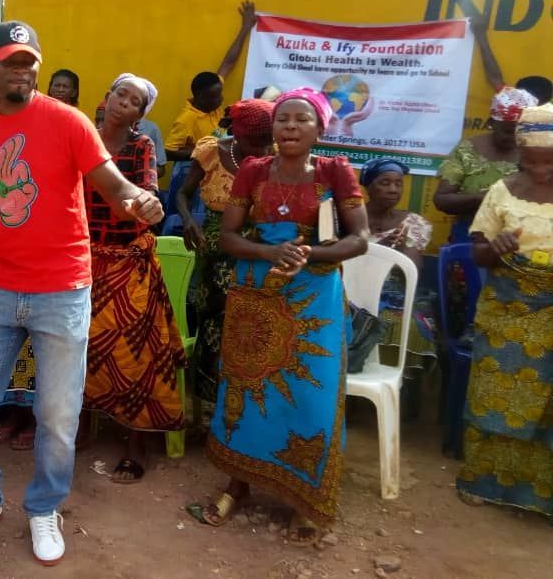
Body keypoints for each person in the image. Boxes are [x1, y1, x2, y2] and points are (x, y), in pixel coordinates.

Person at [0, 21, 163, 566]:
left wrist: (140, 201)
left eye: (30, 60)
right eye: (11, 60)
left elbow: (113, 185)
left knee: (57, 413)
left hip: (63, 289)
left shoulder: (69, 122)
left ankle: (44, 508)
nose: (23, 69)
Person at [196, 87, 368, 545]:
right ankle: (238, 483)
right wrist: (270, 249)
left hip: (314, 297)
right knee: (245, 387)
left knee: (310, 396)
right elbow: (229, 238)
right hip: (255, 295)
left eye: (301, 120)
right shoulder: (252, 171)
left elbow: (360, 239)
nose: (290, 127)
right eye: (283, 119)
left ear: (320, 128)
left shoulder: (335, 172)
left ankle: (302, 498)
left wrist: (310, 252)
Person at [81, 73, 185, 482]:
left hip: (128, 262)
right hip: (82, 259)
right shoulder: (82, 139)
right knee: (77, 348)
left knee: (134, 353)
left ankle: (135, 442)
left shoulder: (142, 146)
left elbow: (145, 194)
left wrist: (144, 205)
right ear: (106, 98)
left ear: (141, 114)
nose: (124, 102)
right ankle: (77, 428)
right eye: (119, 94)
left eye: (134, 100)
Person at [456, 102, 553, 519]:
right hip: (505, 309)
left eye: (548, 161)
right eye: (530, 160)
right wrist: (493, 249)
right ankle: (482, 479)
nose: (540, 169)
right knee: (492, 394)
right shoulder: (502, 190)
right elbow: (478, 250)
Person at [176, 99, 275, 404]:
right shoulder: (211, 151)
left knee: (254, 326)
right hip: (215, 249)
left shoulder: (279, 158)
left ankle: (247, 401)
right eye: (252, 142)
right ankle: (208, 402)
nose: (259, 150)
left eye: (265, 142)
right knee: (213, 322)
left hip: (260, 247)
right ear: (236, 131)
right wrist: (189, 221)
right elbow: (182, 192)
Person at [434, 87, 538, 238]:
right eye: (508, 131)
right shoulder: (467, 150)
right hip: (471, 233)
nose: (515, 137)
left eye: (522, 131)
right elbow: (441, 200)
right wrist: (483, 198)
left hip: (525, 236)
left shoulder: (539, 153)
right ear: (491, 123)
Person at [360, 158, 436, 364]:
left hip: (394, 292)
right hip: (351, 288)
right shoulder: (349, 217)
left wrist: (401, 247)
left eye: (398, 183)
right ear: (368, 186)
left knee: (411, 326)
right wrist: (379, 250)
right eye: (384, 183)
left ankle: (399, 378)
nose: (393, 189)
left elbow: (413, 273)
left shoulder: (412, 223)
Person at [164, 0, 256, 160]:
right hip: (193, 170)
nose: (220, 99)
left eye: (220, 94)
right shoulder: (187, 120)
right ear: (200, 97)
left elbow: (229, 62)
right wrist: (203, 153)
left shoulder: (213, 94)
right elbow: (168, 152)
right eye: (215, 97)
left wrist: (245, 27)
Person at [472, 14, 553, 105]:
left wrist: (481, 35)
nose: (516, 99)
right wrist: (480, 35)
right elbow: (494, 78)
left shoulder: (513, 109)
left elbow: (495, 79)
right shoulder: (512, 104)